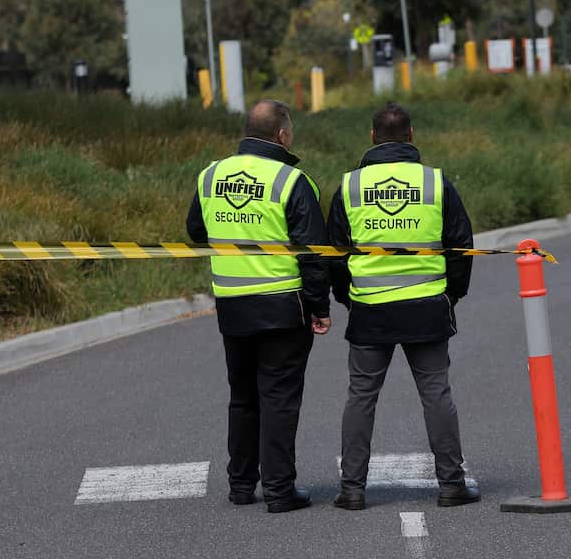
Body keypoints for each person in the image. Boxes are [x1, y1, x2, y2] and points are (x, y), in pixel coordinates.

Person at [328, 102, 480, 511]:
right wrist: (452, 296)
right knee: (436, 395)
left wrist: (347, 298)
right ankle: (451, 484)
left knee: (360, 396)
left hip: (370, 310)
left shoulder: (350, 186)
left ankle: (352, 489)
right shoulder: (435, 183)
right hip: (427, 306)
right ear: (411, 136)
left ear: (372, 136)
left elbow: (334, 254)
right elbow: (461, 246)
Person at [186, 100, 331, 513]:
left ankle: (241, 485)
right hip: (284, 306)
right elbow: (313, 253)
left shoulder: (211, 174)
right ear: (282, 135)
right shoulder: (292, 180)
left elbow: (195, 230)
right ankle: (281, 491)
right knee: (279, 398)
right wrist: (319, 306)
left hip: (233, 305)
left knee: (243, 397)